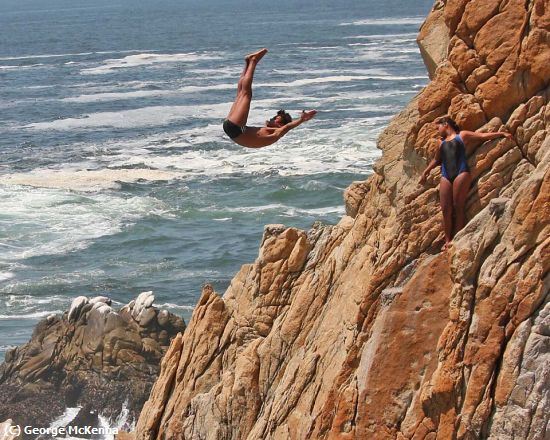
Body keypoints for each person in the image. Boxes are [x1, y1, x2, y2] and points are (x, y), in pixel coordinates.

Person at [419, 115, 513, 250]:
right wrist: (425, 172)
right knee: (446, 209)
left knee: (458, 206)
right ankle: (447, 240)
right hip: (446, 175)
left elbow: (483, 136)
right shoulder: (441, 142)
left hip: (461, 173)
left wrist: (502, 133)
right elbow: (436, 159)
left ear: (446, 124)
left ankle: (458, 237)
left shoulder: (462, 136)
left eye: (438, 127)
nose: (437, 131)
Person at [222, 48, 317, 148]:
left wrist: (301, 120)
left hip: (235, 129)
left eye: (276, 119)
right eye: (274, 117)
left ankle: (253, 61)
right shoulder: (265, 130)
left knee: (246, 95)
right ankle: (248, 62)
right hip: (233, 128)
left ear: (280, 125)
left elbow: (288, 127)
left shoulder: (277, 133)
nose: (272, 119)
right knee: (240, 94)